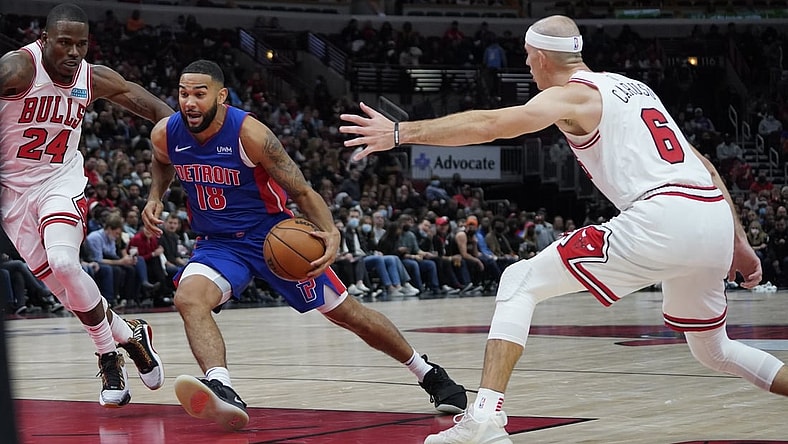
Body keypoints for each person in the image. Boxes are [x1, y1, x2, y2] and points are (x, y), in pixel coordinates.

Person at [340, 15, 788, 443]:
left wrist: (401, 132)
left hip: (663, 217)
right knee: (714, 350)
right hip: (709, 214)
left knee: (518, 281)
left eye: (527, 56)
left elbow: (491, 124)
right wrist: (739, 239)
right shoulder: (637, 89)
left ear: (539, 57)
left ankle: (484, 418)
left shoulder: (571, 96)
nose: (528, 64)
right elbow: (703, 163)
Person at [140, 59, 466, 431]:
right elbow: (162, 161)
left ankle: (427, 372)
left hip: (273, 237)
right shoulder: (166, 133)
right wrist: (156, 196)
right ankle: (222, 386)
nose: (189, 102)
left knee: (348, 314)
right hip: (218, 243)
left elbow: (300, 189)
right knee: (188, 299)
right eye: (183, 93)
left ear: (221, 95)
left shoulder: (250, 134)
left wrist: (331, 232)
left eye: (200, 93)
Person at [0, 3, 168, 407]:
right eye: (64, 43)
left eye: (81, 44)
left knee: (65, 264)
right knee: (67, 291)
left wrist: (194, 139)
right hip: (13, 195)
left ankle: (108, 356)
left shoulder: (91, 79)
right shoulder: (18, 69)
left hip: (61, 180)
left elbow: (161, 114)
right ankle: (130, 334)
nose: (74, 52)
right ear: (45, 40)